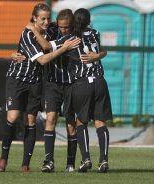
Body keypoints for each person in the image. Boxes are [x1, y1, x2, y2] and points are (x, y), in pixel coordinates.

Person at [13, 9, 107, 173]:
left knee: (71, 123)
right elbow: (40, 45)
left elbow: (102, 48)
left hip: (72, 83)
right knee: (51, 118)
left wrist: (97, 56)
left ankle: (70, 163)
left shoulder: (75, 36)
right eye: (61, 27)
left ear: (73, 25)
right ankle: (49, 161)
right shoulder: (51, 30)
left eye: (67, 27)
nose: (63, 30)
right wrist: (16, 52)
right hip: (53, 83)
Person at [0, 3, 80, 172]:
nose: (46, 21)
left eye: (48, 18)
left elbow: (66, 24)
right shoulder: (27, 34)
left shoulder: (50, 29)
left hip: (36, 82)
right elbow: (42, 60)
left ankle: (25, 164)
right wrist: (64, 48)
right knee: (13, 116)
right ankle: (3, 158)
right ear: (34, 18)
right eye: (43, 18)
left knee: (31, 120)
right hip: (17, 79)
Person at [52, 8, 112, 173]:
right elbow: (104, 50)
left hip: (81, 83)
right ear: (88, 21)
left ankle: (85, 158)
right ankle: (104, 160)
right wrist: (97, 56)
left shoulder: (69, 39)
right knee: (100, 122)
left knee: (81, 122)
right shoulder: (95, 33)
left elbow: (46, 47)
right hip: (100, 81)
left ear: (72, 22)